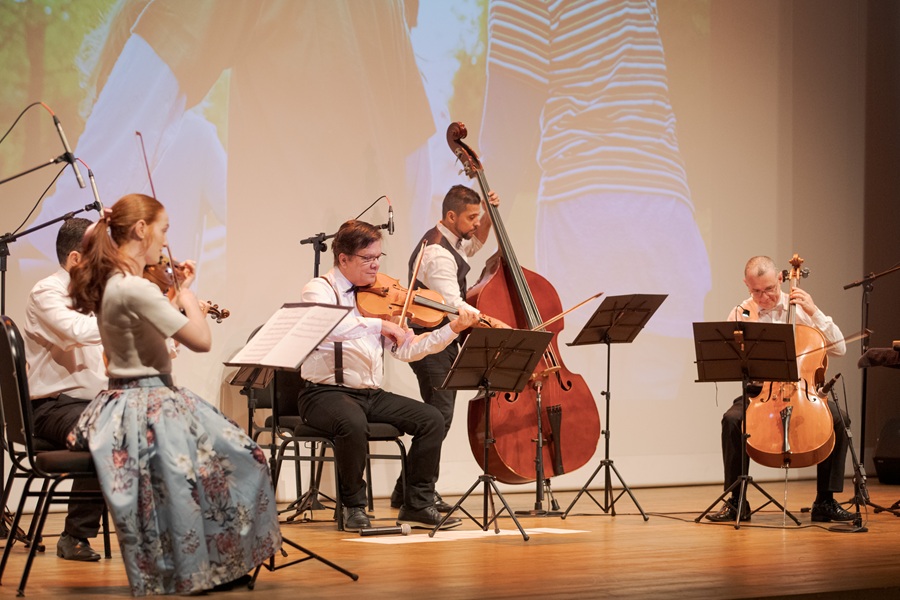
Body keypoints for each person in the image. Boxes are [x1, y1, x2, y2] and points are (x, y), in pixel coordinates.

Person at [66, 193, 281, 595]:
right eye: (164, 230)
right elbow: (200, 340)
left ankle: (212, 564)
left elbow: (144, 337)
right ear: (141, 230)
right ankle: (212, 565)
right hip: (148, 404)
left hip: (132, 399)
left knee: (216, 463)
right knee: (245, 458)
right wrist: (187, 300)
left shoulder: (119, 283)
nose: (166, 242)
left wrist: (173, 293)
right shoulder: (134, 288)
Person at [298, 219, 479, 531]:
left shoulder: (379, 297)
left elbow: (407, 349)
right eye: (368, 258)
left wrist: (453, 328)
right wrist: (381, 325)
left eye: (379, 257)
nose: (376, 265)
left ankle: (417, 504)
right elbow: (331, 328)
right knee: (351, 423)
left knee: (432, 418)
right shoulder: (319, 290)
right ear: (343, 259)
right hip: (323, 393)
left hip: (370, 394)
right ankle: (353, 507)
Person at [706, 255, 852, 523]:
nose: (763, 297)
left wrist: (814, 311)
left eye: (770, 289)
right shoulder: (741, 312)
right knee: (731, 420)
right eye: (756, 291)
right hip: (760, 393)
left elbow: (841, 349)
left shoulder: (802, 310)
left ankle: (825, 501)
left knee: (839, 418)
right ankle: (737, 501)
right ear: (746, 285)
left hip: (802, 390)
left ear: (782, 279)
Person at [389, 185, 499, 513]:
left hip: (443, 339)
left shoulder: (452, 240)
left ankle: (406, 491)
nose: (476, 224)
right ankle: (420, 495)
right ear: (451, 216)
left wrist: (490, 217)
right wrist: (493, 322)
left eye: (478, 217)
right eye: (471, 218)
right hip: (431, 341)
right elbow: (454, 306)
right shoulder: (438, 253)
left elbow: (476, 244)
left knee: (440, 417)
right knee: (440, 417)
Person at [22, 217, 106, 562]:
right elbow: (74, 331)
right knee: (108, 429)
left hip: (94, 404)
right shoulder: (47, 292)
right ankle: (74, 535)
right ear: (75, 260)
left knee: (144, 423)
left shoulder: (99, 296)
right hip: (51, 408)